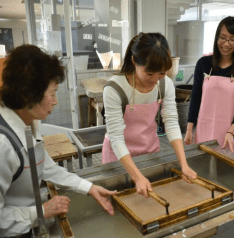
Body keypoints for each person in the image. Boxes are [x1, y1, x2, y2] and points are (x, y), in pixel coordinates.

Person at [0, 44, 117, 238]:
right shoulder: (3, 144)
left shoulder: (28, 121)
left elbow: (43, 164)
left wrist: (89, 188)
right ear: (27, 95)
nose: (55, 101)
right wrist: (42, 212)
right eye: (52, 94)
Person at [102, 32, 197, 198]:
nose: (155, 79)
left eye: (161, 73)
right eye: (150, 73)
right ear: (134, 61)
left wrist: (184, 165)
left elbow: (172, 122)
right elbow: (116, 137)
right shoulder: (114, 89)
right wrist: (137, 176)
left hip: (150, 154)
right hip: (119, 159)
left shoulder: (165, 84)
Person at [184, 16, 234, 154]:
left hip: (230, 133)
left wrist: (231, 132)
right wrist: (189, 128)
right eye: (222, 38)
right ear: (216, 38)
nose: (226, 44)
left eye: (232, 39)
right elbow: (196, 97)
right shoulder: (203, 63)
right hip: (204, 130)